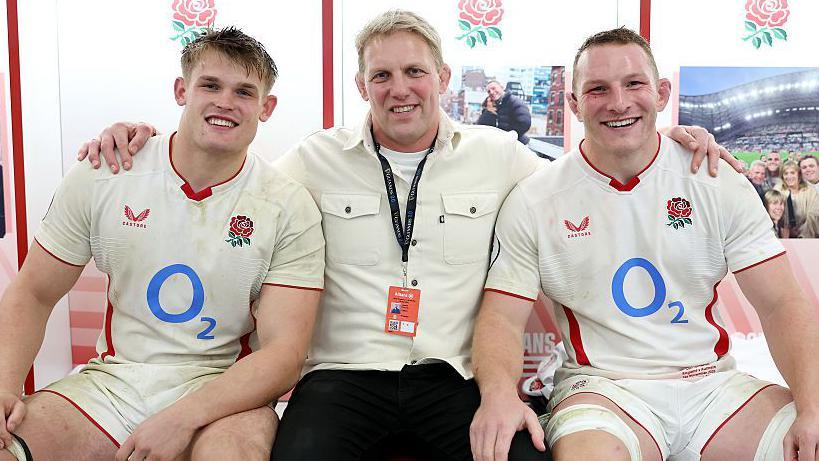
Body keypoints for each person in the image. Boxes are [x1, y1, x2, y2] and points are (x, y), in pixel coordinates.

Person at [77, 10, 737, 461]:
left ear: (443, 79)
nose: (400, 89)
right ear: (361, 84)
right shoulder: (310, 160)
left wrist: (678, 142)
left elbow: (590, 169)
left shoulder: (501, 156)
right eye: (382, 75)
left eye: (415, 72)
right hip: (339, 377)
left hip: (453, 376)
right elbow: (226, 176)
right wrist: (141, 140)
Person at [473, 27, 819, 461]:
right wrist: (499, 394)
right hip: (603, 389)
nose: (619, 102)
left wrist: (812, 406)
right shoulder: (534, 198)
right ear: (575, 104)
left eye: (634, 83)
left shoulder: (716, 180)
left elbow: (782, 303)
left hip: (712, 384)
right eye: (598, 89)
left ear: (661, 92)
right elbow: (502, 319)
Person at [0, 27, 325, 461]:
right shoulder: (106, 171)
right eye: (210, 85)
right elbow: (35, 292)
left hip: (221, 391)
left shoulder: (287, 205)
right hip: (110, 385)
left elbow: (284, 354)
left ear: (266, 108)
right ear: (181, 90)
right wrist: (3, 384)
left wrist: (181, 417)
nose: (225, 102)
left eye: (244, 92)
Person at [775, 160, 819, 238]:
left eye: (792, 173)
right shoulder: (778, 190)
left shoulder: (810, 190)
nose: (789, 176)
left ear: (798, 174)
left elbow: (813, 215)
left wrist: (803, 234)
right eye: (786, 173)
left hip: (807, 235)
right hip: (784, 235)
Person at [481, 80, 532, 145]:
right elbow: (481, 127)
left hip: (516, 145)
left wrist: (507, 136)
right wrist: (488, 112)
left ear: (502, 87)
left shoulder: (514, 102)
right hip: (500, 145)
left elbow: (524, 123)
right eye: (489, 91)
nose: (491, 92)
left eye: (493, 88)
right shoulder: (491, 105)